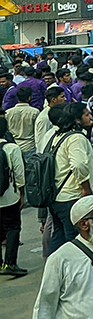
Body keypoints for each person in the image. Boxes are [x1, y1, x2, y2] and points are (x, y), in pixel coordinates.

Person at [46, 102, 93, 254]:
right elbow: (79, 165)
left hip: (56, 195)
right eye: (86, 115)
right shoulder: (76, 138)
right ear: (77, 119)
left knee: (59, 235)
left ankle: (53, 264)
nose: (90, 117)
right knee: (74, 238)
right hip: (72, 196)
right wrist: (86, 188)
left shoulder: (57, 136)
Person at [0, 116, 27, 276]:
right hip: (9, 196)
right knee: (13, 228)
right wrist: (21, 193)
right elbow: (19, 174)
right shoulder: (11, 148)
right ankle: (10, 263)